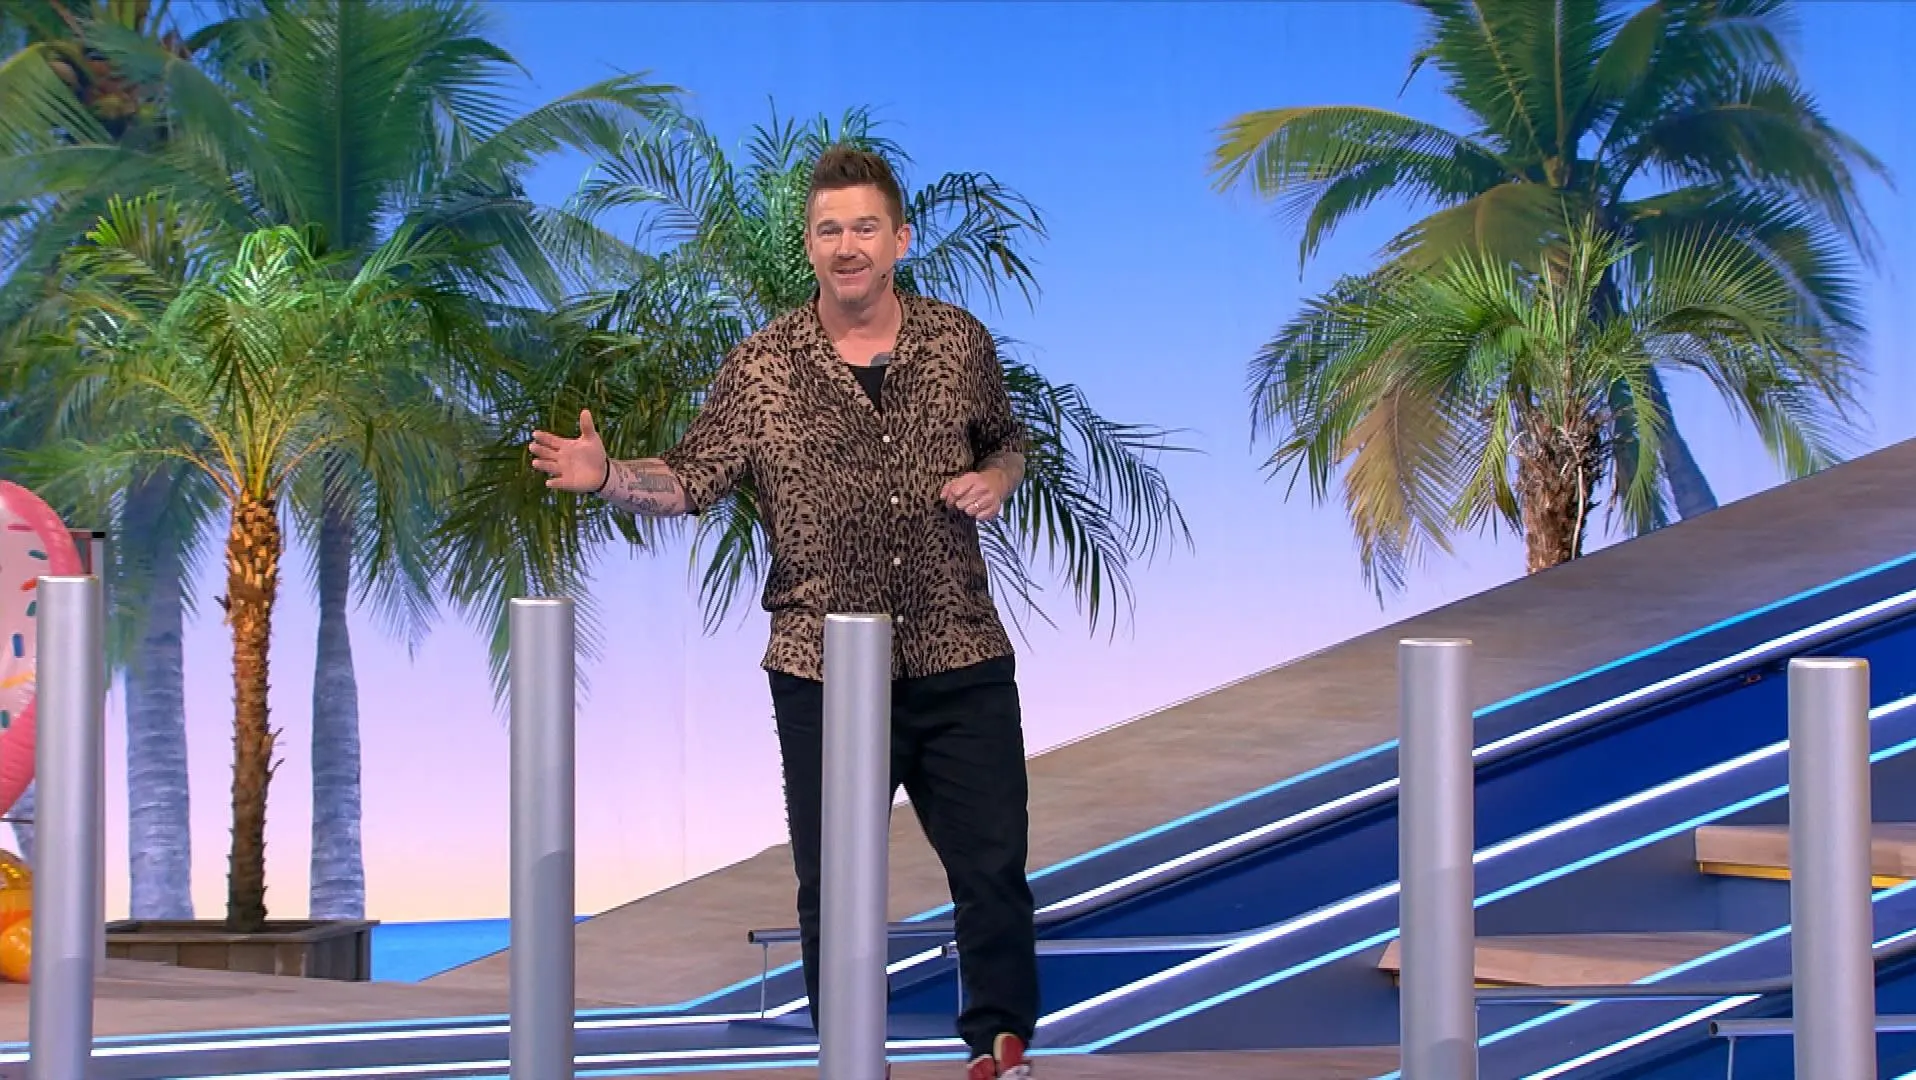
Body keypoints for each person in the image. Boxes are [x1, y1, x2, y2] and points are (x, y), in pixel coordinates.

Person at [527, 146, 1040, 1079]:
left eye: (865, 228)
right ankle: (848, 1055)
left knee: (993, 866)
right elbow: (691, 479)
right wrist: (608, 478)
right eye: (829, 229)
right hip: (822, 668)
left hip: (959, 652)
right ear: (809, 245)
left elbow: (1007, 442)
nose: (848, 246)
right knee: (833, 883)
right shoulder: (763, 366)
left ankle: (1000, 1048)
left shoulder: (958, 342)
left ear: (900, 240)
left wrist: (996, 480)